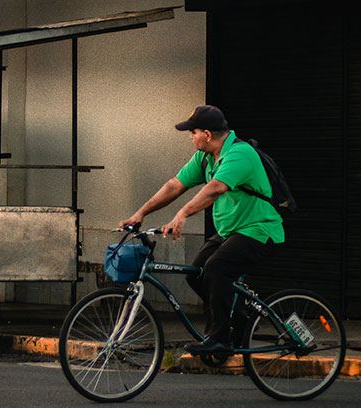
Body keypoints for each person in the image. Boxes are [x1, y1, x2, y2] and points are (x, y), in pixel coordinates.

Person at [118, 105, 284, 355]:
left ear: (207, 134)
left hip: (258, 229)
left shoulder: (240, 154)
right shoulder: (206, 157)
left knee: (216, 268)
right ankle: (236, 323)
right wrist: (140, 213)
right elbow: (175, 186)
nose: (190, 137)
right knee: (196, 273)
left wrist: (182, 214)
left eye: (192, 132)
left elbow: (216, 188)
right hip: (231, 231)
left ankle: (220, 338)